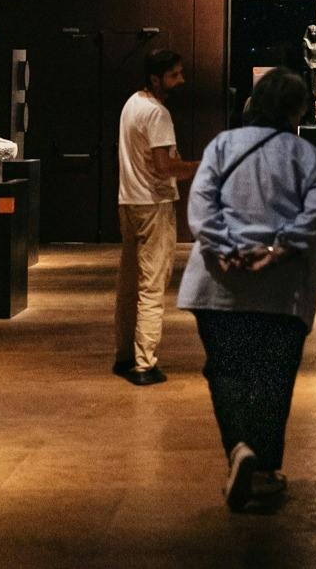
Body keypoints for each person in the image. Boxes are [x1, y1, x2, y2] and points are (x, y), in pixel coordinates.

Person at [178, 69, 316, 512]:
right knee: (273, 377)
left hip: (218, 283)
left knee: (225, 369)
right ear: (296, 110)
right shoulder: (306, 156)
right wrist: (277, 248)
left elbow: (201, 203)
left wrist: (227, 249)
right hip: (281, 288)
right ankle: (264, 470)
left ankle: (239, 450)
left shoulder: (221, 146)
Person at [114, 48, 199, 385]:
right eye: (175, 75)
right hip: (154, 204)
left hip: (129, 202)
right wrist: (199, 167)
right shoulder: (157, 113)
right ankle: (145, 364)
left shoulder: (131, 105)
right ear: (156, 78)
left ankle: (125, 355)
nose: (181, 80)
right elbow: (165, 168)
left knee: (129, 285)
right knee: (152, 286)